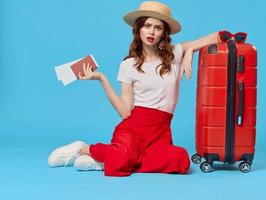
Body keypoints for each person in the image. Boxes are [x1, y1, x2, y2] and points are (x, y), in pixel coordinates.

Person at [48, 1, 219, 176]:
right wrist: (101, 78)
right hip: (133, 131)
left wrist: (190, 50)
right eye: (147, 25)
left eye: (158, 27)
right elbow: (125, 112)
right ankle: (83, 149)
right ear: (138, 29)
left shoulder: (175, 53)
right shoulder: (128, 65)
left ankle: (106, 160)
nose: (151, 32)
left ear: (164, 32)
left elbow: (217, 36)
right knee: (126, 154)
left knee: (180, 160)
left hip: (160, 135)